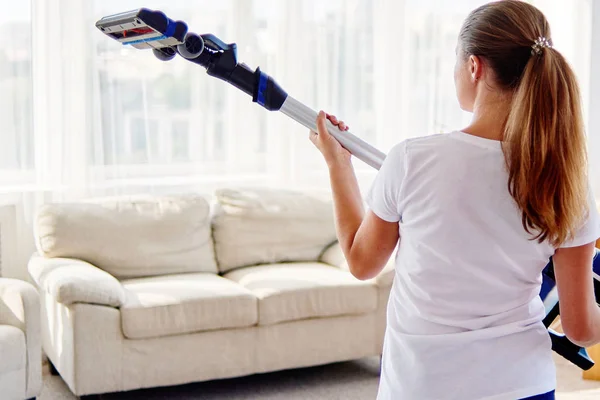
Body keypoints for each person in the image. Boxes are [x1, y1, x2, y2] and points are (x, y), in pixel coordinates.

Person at [309, 1, 600, 399]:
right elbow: (581, 328)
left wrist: (337, 166)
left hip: (423, 385)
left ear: (474, 66)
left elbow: (362, 263)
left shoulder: (412, 158)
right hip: (522, 385)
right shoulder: (566, 180)